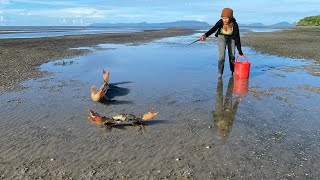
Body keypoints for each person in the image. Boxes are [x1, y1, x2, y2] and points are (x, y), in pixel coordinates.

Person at [200, 8, 244, 79]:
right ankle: (220, 73)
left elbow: (237, 38)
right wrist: (205, 35)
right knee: (221, 56)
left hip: (231, 38)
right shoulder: (220, 22)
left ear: (230, 17)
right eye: (223, 18)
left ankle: (233, 71)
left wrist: (240, 50)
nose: (224, 20)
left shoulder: (234, 25)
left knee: (232, 55)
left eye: (226, 18)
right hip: (221, 37)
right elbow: (213, 29)